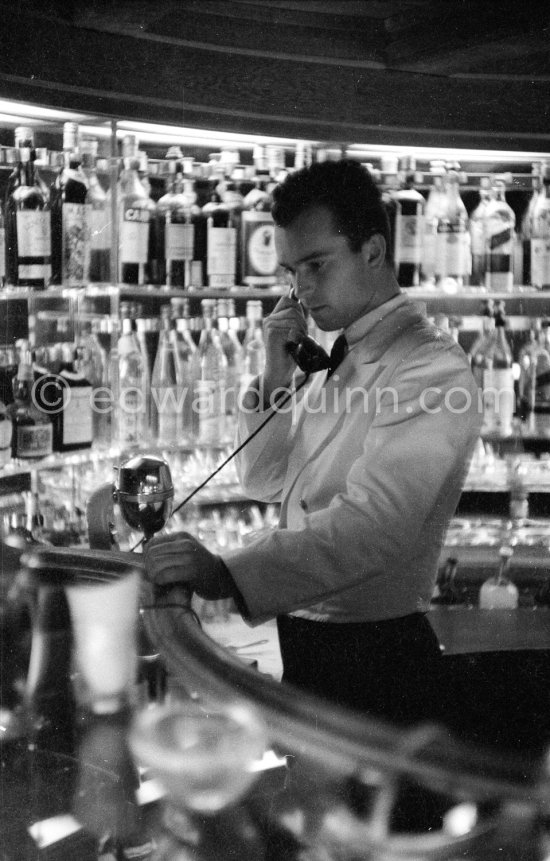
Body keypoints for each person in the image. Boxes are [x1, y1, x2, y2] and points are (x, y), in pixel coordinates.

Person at [144, 158, 481, 726]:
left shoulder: (429, 367)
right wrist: (275, 377)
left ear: (373, 253)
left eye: (317, 265)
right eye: (291, 271)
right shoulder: (341, 349)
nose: (301, 289)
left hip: (377, 659)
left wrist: (227, 572)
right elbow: (265, 479)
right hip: (308, 642)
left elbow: (375, 527)